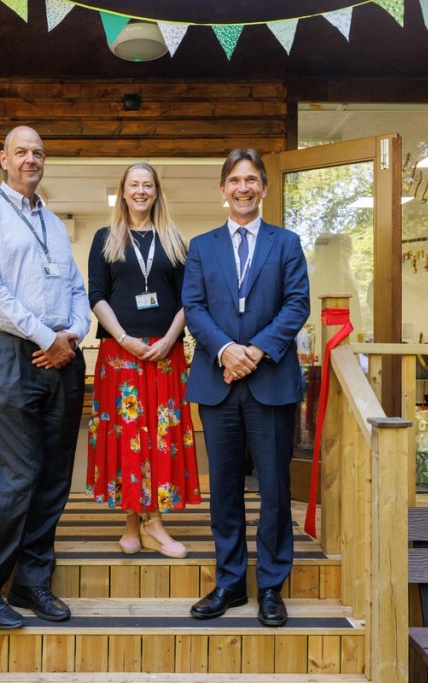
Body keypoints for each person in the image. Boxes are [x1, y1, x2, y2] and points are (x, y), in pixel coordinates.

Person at [0, 125, 90, 631]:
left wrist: (71, 336)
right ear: (4, 158)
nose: (31, 159)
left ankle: (31, 582)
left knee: (55, 477)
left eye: (39, 151)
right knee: (18, 478)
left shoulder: (52, 222)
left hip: (64, 356)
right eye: (22, 151)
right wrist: (44, 337)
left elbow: (76, 289)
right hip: (15, 353)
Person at [182, 149, 310, 627]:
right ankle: (231, 583)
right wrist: (225, 351)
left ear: (264, 188)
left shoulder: (286, 243)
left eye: (251, 179)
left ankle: (272, 586)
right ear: (222, 190)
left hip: (271, 381)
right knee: (225, 491)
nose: (243, 187)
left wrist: (254, 350)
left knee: (275, 490)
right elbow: (193, 307)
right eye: (234, 180)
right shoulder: (202, 246)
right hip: (217, 384)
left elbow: (297, 304)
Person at [85, 162, 201, 559]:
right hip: (120, 355)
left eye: (147, 185)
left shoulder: (173, 240)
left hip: (165, 354)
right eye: (133, 184)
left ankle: (149, 523)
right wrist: (123, 339)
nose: (140, 191)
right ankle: (137, 523)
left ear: (156, 192)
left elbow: (190, 299)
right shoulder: (106, 238)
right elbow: (96, 296)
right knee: (128, 437)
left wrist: (170, 338)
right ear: (123, 191)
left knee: (158, 437)